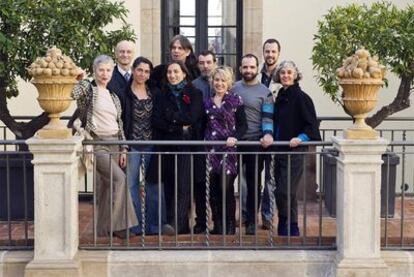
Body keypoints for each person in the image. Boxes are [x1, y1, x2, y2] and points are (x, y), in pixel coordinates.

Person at [71, 55, 137, 239]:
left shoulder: (114, 96)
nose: (105, 73)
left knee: (106, 189)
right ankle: (120, 226)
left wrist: (124, 147)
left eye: (108, 70)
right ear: (95, 70)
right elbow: (73, 94)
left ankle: (102, 231)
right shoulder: (88, 91)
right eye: (101, 70)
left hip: (115, 142)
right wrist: (81, 79)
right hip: (97, 143)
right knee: (120, 179)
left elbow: (120, 123)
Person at [262, 60, 321, 236]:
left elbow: (311, 125)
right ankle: (288, 225)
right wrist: (269, 135)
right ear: (278, 76)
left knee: (284, 191)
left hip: (295, 152)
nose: (286, 75)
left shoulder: (303, 98)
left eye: (289, 72)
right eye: (283, 73)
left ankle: (289, 224)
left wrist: (300, 138)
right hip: (279, 150)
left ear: (295, 75)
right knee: (287, 192)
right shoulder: (280, 96)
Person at [149, 61, 204, 234]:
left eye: (176, 72)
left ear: (184, 73)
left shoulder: (195, 93)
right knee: (169, 186)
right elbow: (157, 120)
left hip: (187, 146)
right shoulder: (160, 94)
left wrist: (170, 117)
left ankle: (178, 225)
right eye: (169, 72)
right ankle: (174, 224)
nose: (172, 75)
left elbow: (193, 117)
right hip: (167, 144)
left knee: (183, 186)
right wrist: (178, 125)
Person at [121, 56, 173, 235]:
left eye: (146, 71)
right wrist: (124, 145)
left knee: (154, 184)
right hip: (132, 144)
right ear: (133, 71)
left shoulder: (155, 93)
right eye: (139, 70)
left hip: (151, 143)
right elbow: (121, 120)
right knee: (131, 185)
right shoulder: (124, 93)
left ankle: (155, 225)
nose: (142, 74)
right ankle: (135, 225)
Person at [230, 54, 274, 235]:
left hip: (256, 143)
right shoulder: (233, 89)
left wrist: (268, 134)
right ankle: (229, 218)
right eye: (245, 67)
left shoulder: (265, 92)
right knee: (229, 181)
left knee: (254, 183)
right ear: (240, 68)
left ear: (257, 69)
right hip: (234, 143)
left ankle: (250, 220)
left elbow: (268, 118)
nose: (248, 70)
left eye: (252, 67)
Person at [204, 66, 247, 235]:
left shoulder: (235, 100)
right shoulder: (207, 102)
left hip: (228, 151)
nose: (219, 83)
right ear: (212, 81)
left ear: (228, 82)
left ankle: (229, 226)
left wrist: (235, 137)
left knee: (226, 188)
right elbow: (203, 125)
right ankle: (218, 225)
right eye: (216, 80)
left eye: (223, 80)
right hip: (210, 150)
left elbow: (243, 125)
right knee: (213, 189)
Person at [191, 50, 217, 234]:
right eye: (202, 63)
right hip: (199, 140)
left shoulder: (222, 82)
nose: (205, 66)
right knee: (200, 184)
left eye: (208, 62)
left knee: (217, 184)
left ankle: (219, 221)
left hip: (219, 141)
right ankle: (201, 221)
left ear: (215, 63)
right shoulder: (193, 86)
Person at [257, 39, 282, 230]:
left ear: (278, 53)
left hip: (277, 133)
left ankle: (267, 215)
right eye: (267, 51)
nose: (270, 55)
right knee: (252, 177)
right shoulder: (257, 76)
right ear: (263, 53)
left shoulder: (284, 76)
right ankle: (249, 214)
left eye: (273, 52)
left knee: (271, 178)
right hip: (257, 133)